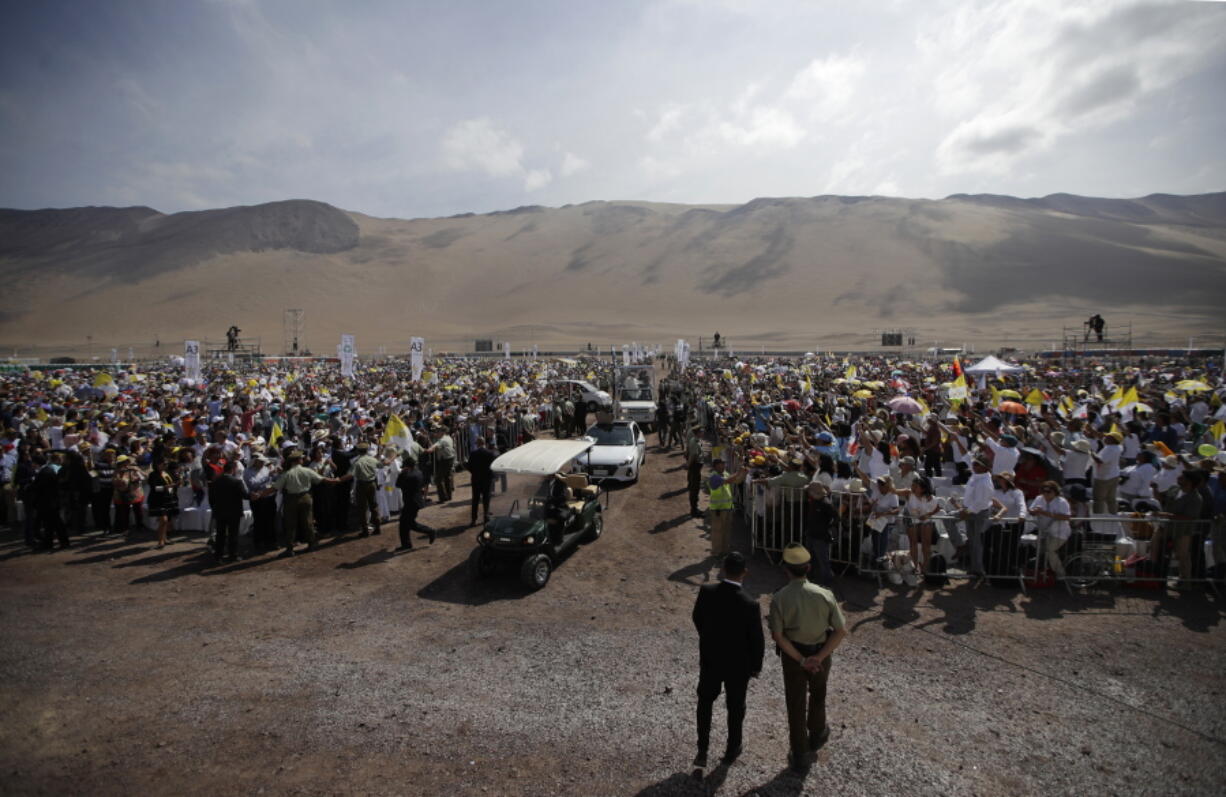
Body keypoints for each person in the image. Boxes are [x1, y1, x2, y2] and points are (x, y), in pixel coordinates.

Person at [768, 544, 847, 773]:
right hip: (821, 651)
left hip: (793, 656)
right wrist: (819, 657)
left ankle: (800, 752)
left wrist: (802, 660)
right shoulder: (825, 595)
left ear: (786, 570)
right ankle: (818, 732)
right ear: (809, 567)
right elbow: (841, 630)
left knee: (796, 702)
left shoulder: (780, 598)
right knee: (818, 693)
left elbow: (778, 636)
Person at [691, 551, 765, 770]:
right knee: (735, 707)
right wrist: (756, 666)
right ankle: (732, 749)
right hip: (738, 665)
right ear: (745, 573)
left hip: (711, 659)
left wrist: (707, 638)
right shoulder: (750, 604)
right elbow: (756, 639)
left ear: (722, 569)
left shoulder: (707, 591)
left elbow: (697, 618)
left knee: (705, 702)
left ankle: (702, 749)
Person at [261, 449, 349, 557]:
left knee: (290, 524)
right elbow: (322, 479)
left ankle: (290, 548)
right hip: (306, 497)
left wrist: (260, 495)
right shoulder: (307, 470)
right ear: (298, 460)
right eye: (301, 458)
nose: (303, 459)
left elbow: (274, 488)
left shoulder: (287, 474)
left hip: (291, 499)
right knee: (308, 521)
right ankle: (311, 544)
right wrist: (336, 480)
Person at [705, 457, 748, 560]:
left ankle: (724, 551)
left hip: (727, 508)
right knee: (717, 532)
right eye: (721, 464)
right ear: (716, 466)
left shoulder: (725, 473)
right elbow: (728, 480)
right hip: (718, 510)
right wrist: (739, 472)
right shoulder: (714, 477)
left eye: (724, 464)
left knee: (726, 531)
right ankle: (716, 553)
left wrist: (744, 473)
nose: (724, 466)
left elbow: (736, 481)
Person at [959, 458, 994, 580]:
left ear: (984, 467)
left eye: (977, 464)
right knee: (972, 540)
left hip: (979, 513)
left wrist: (967, 511)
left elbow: (980, 502)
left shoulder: (985, 482)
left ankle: (979, 569)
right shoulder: (976, 476)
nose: (974, 466)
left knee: (977, 542)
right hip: (969, 511)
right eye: (974, 464)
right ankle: (974, 567)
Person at [208, 459, 249, 562]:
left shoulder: (215, 481)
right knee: (233, 535)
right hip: (234, 512)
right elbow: (245, 495)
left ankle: (218, 556)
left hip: (219, 511)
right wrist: (255, 495)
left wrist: (215, 508)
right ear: (233, 469)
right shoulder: (237, 482)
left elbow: (211, 498)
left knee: (220, 534)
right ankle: (233, 555)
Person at [1029, 481, 1071, 578]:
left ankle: (1061, 574)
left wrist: (1044, 513)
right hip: (1044, 532)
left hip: (1060, 533)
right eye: (1044, 491)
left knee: (1050, 550)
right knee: (1040, 551)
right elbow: (1031, 510)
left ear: (1055, 492)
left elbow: (1066, 517)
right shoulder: (1039, 499)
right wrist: (1033, 511)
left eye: (1049, 491)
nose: (1046, 494)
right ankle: (1044, 573)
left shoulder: (1061, 501)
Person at [394, 454, 434, 550]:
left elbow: (398, 484)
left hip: (411, 502)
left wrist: (402, 474)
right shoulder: (418, 472)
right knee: (404, 523)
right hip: (415, 501)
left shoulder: (407, 475)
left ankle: (430, 531)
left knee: (409, 524)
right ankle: (406, 544)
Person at [906, 477, 939, 576]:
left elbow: (937, 508)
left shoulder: (930, 498)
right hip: (912, 521)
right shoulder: (909, 493)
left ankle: (925, 567)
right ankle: (914, 566)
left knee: (926, 544)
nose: (914, 487)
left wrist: (927, 515)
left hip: (925, 522)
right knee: (913, 543)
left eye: (917, 485)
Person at [146, 458, 179, 549]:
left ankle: (164, 539)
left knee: (165, 521)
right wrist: (166, 487)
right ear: (157, 465)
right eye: (163, 464)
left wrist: (173, 488)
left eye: (166, 464)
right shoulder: (153, 475)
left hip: (167, 500)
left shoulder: (167, 473)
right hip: (157, 500)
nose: (165, 465)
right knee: (163, 520)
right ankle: (160, 541)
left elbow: (170, 487)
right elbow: (155, 488)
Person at [351, 445, 383, 537]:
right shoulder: (372, 459)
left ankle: (365, 530)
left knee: (362, 508)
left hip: (362, 485)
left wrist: (339, 480)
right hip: (372, 483)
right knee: (373, 505)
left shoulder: (357, 462)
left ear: (358, 451)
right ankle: (377, 527)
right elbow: (380, 465)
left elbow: (352, 474)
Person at [466, 436, 497, 527]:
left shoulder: (473, 453)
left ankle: (473, 519)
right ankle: (486, 517)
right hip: (487, 479)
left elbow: (469, 467)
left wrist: (474, 473)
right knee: (486, 498)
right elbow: (493, 467)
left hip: (476, 479)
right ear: (484, 443)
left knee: (475, 499)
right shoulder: (490, 453)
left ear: (477, 444)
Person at [427, 426, 456, 503]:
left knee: (438, 479)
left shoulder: (442, 440)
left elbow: (434, 447)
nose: (437, 433)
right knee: (447, 477)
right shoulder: (448, 437)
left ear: (442, 432)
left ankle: (443, 498)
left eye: (438, 431)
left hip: (445, 460)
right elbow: (436, 443)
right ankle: (449, 496)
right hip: (450, 458)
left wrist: (427, 450)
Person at [685, 425, 705, 518]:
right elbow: (693, 455)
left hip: (696, 466)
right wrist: (688, 465)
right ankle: (694, 510)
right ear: (698, 433)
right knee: (694, 488)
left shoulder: (697, 440)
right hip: (695, 467)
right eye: (701, 431)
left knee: (695, 488)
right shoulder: (695, 441)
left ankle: (695, 508)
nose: (703, 432)